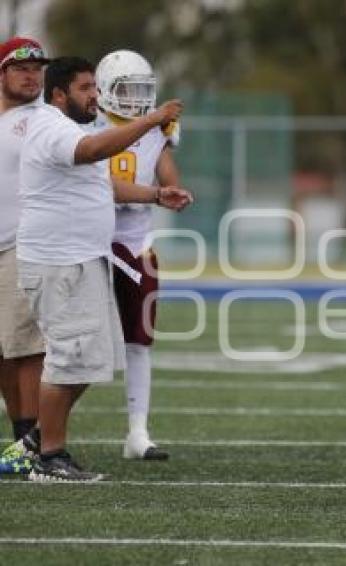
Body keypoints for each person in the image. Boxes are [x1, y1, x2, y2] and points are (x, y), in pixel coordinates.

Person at [16, 56, 185, 481]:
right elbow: (95, 151)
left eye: (95, 87)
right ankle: (50, 457)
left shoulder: (71, 129)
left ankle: (39, 440)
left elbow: (100, 183)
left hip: (83, 259)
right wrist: (151, 121)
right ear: (59, 94)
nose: (94, 96)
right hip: (60, 262)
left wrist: (153, 195)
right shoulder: (51, 126)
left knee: (91, 360)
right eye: (85, 88)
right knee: (68, 358)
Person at [93, 49, 190, 460]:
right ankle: (41, 430)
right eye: (126, 89)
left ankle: (138, 432)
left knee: (140, 341)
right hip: (92, 244)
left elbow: (168, 177)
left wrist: (174, 191)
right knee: (70, 343)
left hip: (137, 245)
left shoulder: (155, 131)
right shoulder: (88, 127)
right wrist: (155, 193)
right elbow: (106, 186)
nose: (135, 98)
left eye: (141, 90)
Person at [0, 37, 49, 472]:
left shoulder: (44, 119)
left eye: (37, 67)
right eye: (21, 67)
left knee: (27, 348)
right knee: (3, 349)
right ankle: (19, 437)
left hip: (22, 242)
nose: (32, 74)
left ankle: (31, 442)